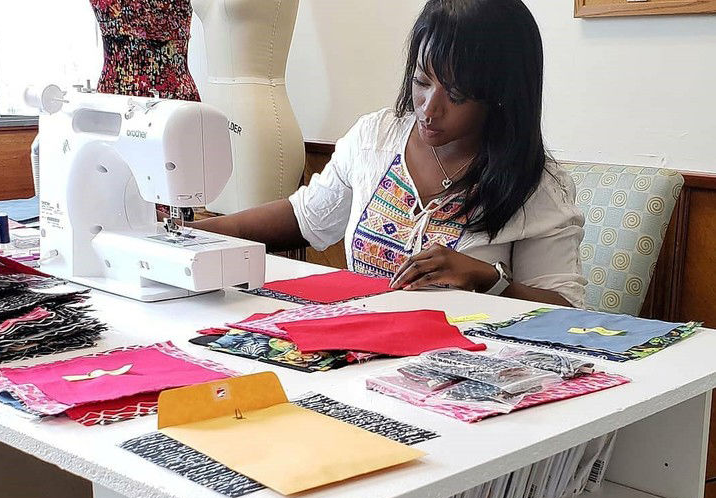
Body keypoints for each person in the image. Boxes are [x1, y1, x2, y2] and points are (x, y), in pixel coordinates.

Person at [190, 0, 587, 308]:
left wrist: (490, 280)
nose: (429, 108)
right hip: (362, 353)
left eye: (458, 95)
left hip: (465, 374)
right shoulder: (375, 138)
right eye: (421, 82)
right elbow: (304, 216)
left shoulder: (537, 186)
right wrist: (185, 235)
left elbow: (570, 314)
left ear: (501, 96)